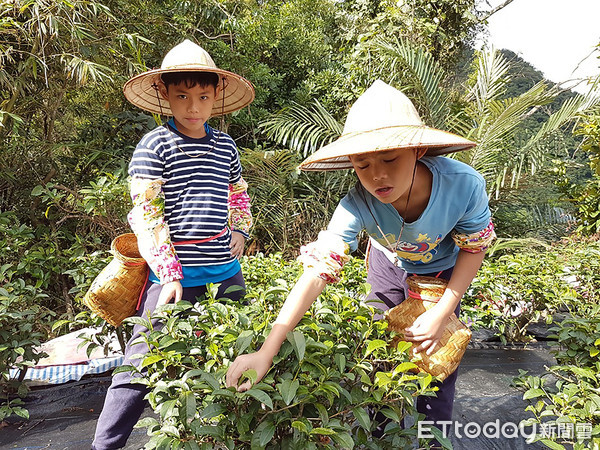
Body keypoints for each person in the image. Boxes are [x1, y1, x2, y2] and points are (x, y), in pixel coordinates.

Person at [226, 80, 496, 436]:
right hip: (386, 266)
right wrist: (267, 350)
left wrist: (443, 312)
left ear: (417, 151)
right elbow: (316, 273)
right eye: (362, 163)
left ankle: (435, 441)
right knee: (379, 356)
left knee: (437, 363)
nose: (377, 175)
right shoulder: (355, 204)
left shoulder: (463, 185)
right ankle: (382, 436)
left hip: (443, 273)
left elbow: (473, 249)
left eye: (389, 158)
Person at [92, 39, 255, 450]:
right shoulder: (154, 145)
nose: (193, 107)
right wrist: (167, 273)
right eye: (182, 96)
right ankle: (104, 446)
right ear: (165, 95)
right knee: (139, 365)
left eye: (202, 96)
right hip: (174, 277)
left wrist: (240, 230)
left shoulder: (225, 146)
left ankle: (226, 438)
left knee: (239, 352)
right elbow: (146, 214)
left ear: (215, 95)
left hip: (225, 272)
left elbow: (238, 194)